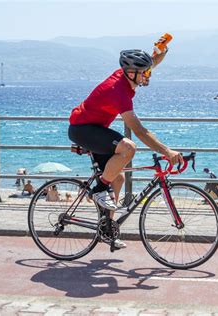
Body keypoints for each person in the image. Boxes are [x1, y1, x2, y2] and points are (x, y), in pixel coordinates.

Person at [68, 41, 182, 249]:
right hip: (83, 129)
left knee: (118, 177)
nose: (147, 76)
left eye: (146, 72)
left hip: (96, 129)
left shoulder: (128, 75)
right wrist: (167, 151)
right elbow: (139, 130)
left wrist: (162, 52)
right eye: (143, 74)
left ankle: (107, 229)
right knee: (129, 147)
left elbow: (151, 64)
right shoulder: (118, 91)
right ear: (131, 73)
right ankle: (99, 189)